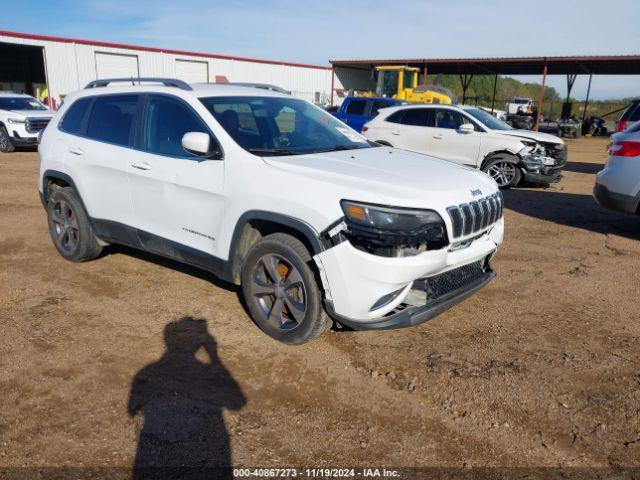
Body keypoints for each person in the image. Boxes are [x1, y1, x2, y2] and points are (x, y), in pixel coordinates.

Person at [128, 317, 245, 479]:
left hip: (161, 455)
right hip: (205, 454)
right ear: (197, 345)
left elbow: (132, 409)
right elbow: (237, 402)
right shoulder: (208, 374)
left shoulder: (147, 373)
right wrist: (214, 356)